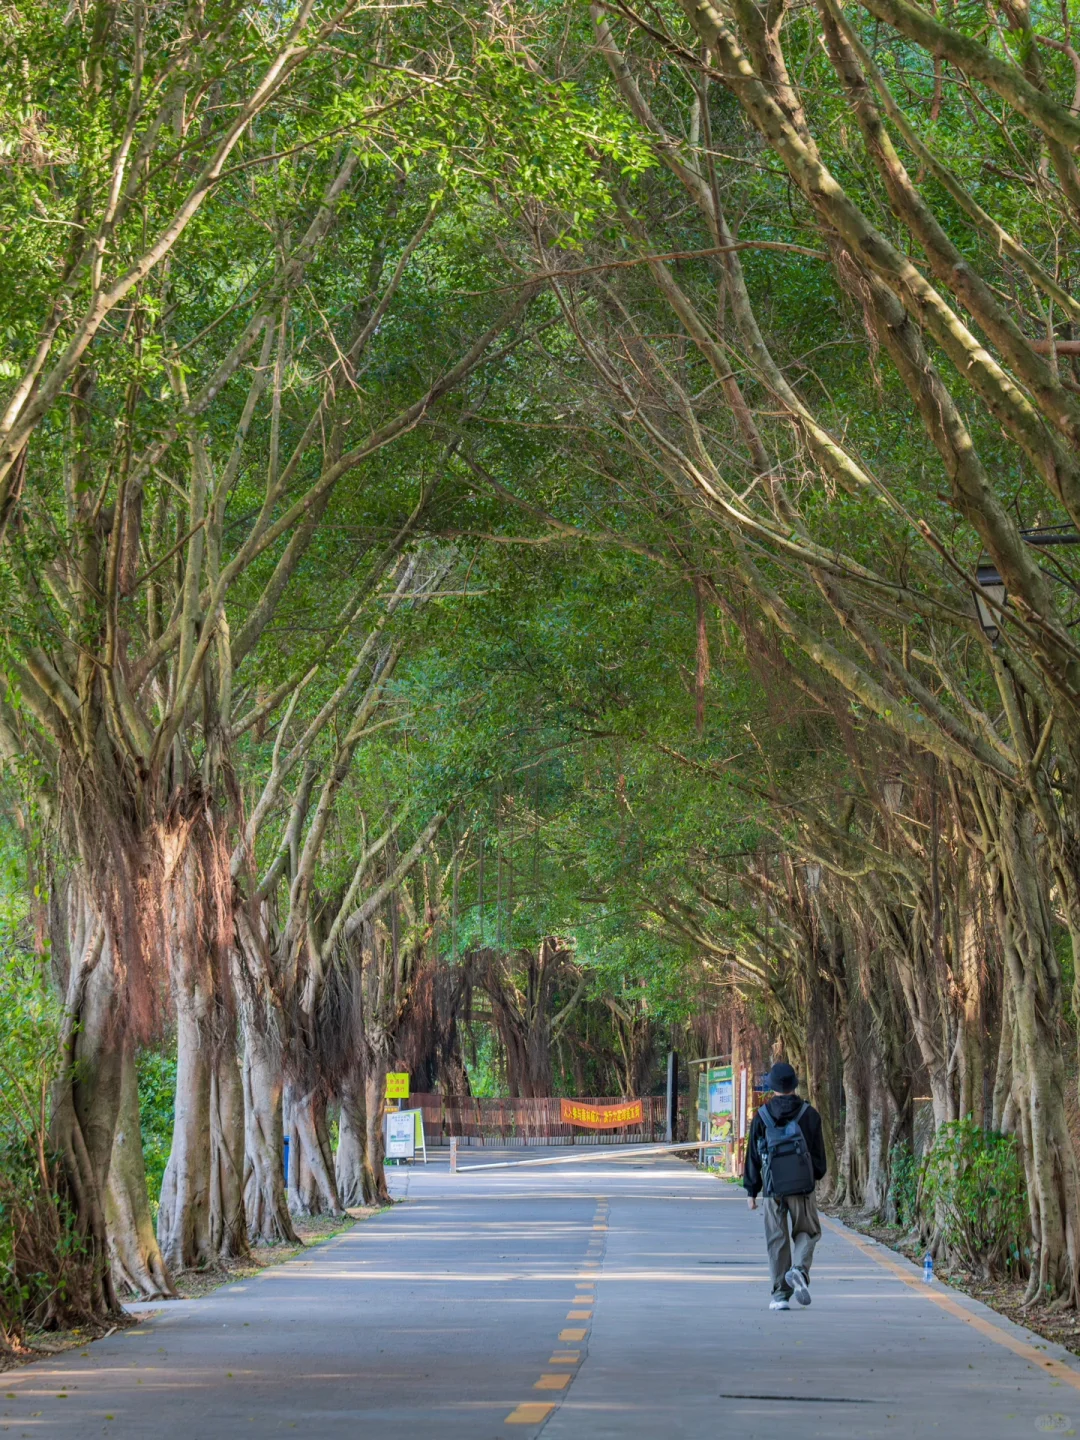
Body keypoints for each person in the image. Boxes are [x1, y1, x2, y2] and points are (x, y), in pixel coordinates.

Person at [743, 1062, 827, 1311]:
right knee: (808, 1232)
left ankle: (780, 1295)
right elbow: (819, 1160)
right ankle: (799, 1270)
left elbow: (753, 1157)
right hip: (802, 1189)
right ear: (794, 1085)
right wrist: (813, 1177)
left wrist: (751, 1190)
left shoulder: (762, 1117)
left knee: (776, 1240)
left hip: (772, 1189)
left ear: (772, 1087)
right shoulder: (809, 1115)